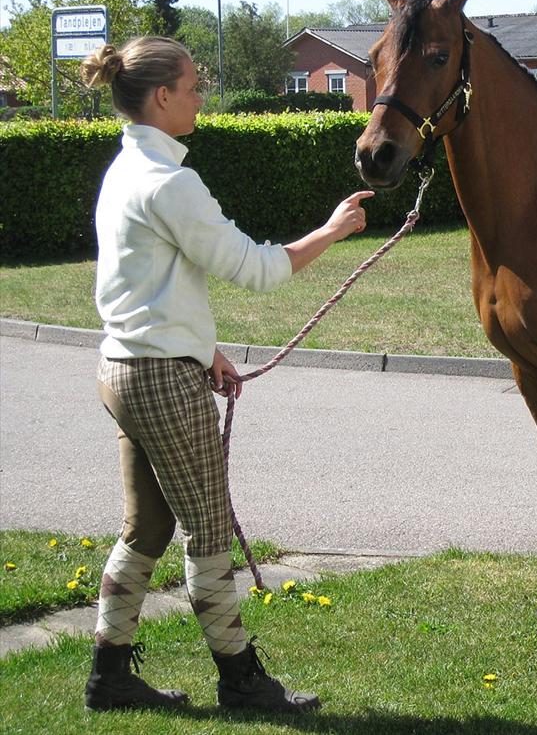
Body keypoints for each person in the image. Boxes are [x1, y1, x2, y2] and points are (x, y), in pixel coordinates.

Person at [79, 36, 372, 714]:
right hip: (157, 380)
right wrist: (331, 231)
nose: (201, 96)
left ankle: (109, 677)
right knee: (209, 536)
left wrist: (200, 346)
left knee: (146, 531)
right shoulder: (169, 183)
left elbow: (145, 283)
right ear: (161, 97)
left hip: (123, 368)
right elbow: (257, 268)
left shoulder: (126, 170)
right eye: (192, 86)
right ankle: (243, 682)